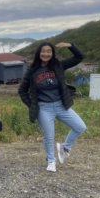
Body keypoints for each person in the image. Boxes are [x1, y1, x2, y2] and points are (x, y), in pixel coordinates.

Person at [18, 42, 86, 172]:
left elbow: (80, 57)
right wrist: (33, 106)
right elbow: (22, 91)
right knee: (49, 136)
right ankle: (51, 160)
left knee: (80, 127)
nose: (46, 54)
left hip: (61, 105)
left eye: (49, 51)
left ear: (52, 53)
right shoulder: (32, 71)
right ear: (38, 53)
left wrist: (71, 45)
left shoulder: (58, 65)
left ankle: (65, 148)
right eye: (43, 51)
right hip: (43, 108)